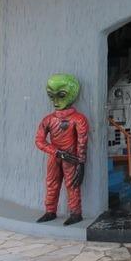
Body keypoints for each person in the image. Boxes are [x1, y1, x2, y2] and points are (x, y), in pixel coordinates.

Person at [35, 73, 89, 226]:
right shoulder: (48, 119)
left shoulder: (78, 119)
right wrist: (57, 152)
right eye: (52, 96)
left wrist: (81, 163)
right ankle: (50, 211)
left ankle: (76, 213)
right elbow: (38, 141)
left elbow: (82, 143)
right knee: (51, 183)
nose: (56, 101)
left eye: (61, 95)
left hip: (71, 157)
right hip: (57, 155)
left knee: (72, 185)